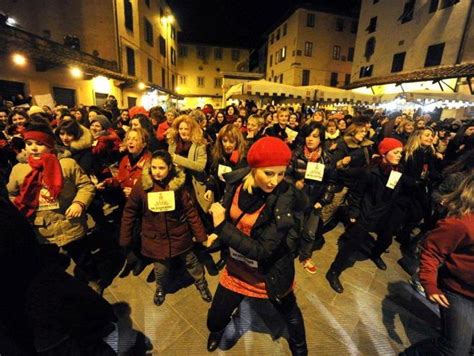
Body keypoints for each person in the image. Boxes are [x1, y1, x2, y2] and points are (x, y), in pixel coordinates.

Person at [206, 137, 308, 355]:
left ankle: (299, 345)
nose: (275, 181)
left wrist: (222, 227)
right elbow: (228, 213)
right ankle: (217, 331)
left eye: (281, 173)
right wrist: (217, 234)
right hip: (236, 269)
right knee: (214, 320)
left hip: (269, 273)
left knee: (290, 312)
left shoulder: (283, 196)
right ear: (253, 168)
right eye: (269, 173)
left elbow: (262, 250)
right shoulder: (235, 182)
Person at [7, 123, 99, 289]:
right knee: (49, 262)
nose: (34, 148)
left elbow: (86, 186)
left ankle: (93, 279)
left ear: (50, 145)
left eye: (40, 144)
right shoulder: (19, 170)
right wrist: (20, 208)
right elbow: (12, 194)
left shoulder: (66, 164)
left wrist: (79, 203)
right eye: (29, 144)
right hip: (41, 228)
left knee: (83, 257)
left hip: (69, 222)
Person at [120, 150, 213, 306]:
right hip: (155, 237)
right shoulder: (142, 186)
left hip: (179, 234)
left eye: (161, 168)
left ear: (169, 167)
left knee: (191, 261)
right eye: (154, 167)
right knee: (160, 269)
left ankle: (201, 282)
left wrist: (201, 236)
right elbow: (129, 212)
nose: (157, 172)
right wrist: (125, 238)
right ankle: (160, 288)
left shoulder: (178, 186)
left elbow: (191, 212)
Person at [402, 175, 474, 356]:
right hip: (458, 291)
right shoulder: (463, 223)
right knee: (455, 350)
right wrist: (430, 285)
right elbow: (432, 251)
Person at [326, 138, 405, 293]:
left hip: (386, 213)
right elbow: (357, 193)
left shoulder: (398, 170)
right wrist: (354, 213)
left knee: (386, 239)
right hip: (367, 213)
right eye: (395, 152)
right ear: (384, 154)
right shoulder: (370, 172)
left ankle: (375, 254)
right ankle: (333, 271)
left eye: (400, 153)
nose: (399, 156)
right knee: (351, 245)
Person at [287, 122, 336, 274]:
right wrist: (294, 182)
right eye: (308, 135)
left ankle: (305, 256)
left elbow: (331, 182)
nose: (310, 139)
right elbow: (285, 175)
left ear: (321, 139)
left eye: (315, 136)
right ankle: (288, 255)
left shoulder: (327, 158)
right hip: (296, 200)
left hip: (315, 202)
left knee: (310, 232)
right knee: (293, 230)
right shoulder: (296, 154)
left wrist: (323, 200)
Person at [167, 115, 211, 213]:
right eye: (180, 128)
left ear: (192, 130)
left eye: (186, 129)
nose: (183, 131)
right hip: (176, 181)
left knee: (195, 212)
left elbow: (200, 166)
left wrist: (177, 159)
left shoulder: (200, 144)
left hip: (193, 183)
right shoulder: (173, 142)